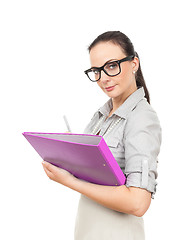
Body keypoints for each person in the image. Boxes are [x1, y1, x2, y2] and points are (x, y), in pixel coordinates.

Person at [42, 31, 162, 240]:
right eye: (96, 70)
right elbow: (97, 176)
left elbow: (138, 203)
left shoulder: (142, 118)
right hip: (88, 231)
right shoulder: (102, 115)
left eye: (112, 66)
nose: (103, 78)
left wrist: (68, 181)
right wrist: (70, 153)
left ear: (134, 63)